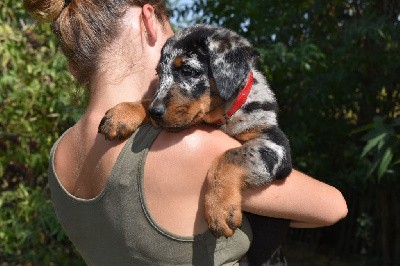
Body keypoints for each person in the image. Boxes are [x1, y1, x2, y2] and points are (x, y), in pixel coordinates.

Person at [24, 0, 348, 265]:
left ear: (73, 64)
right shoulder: (194, 146)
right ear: (149, 20)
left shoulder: (59, 155)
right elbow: (334, 206)